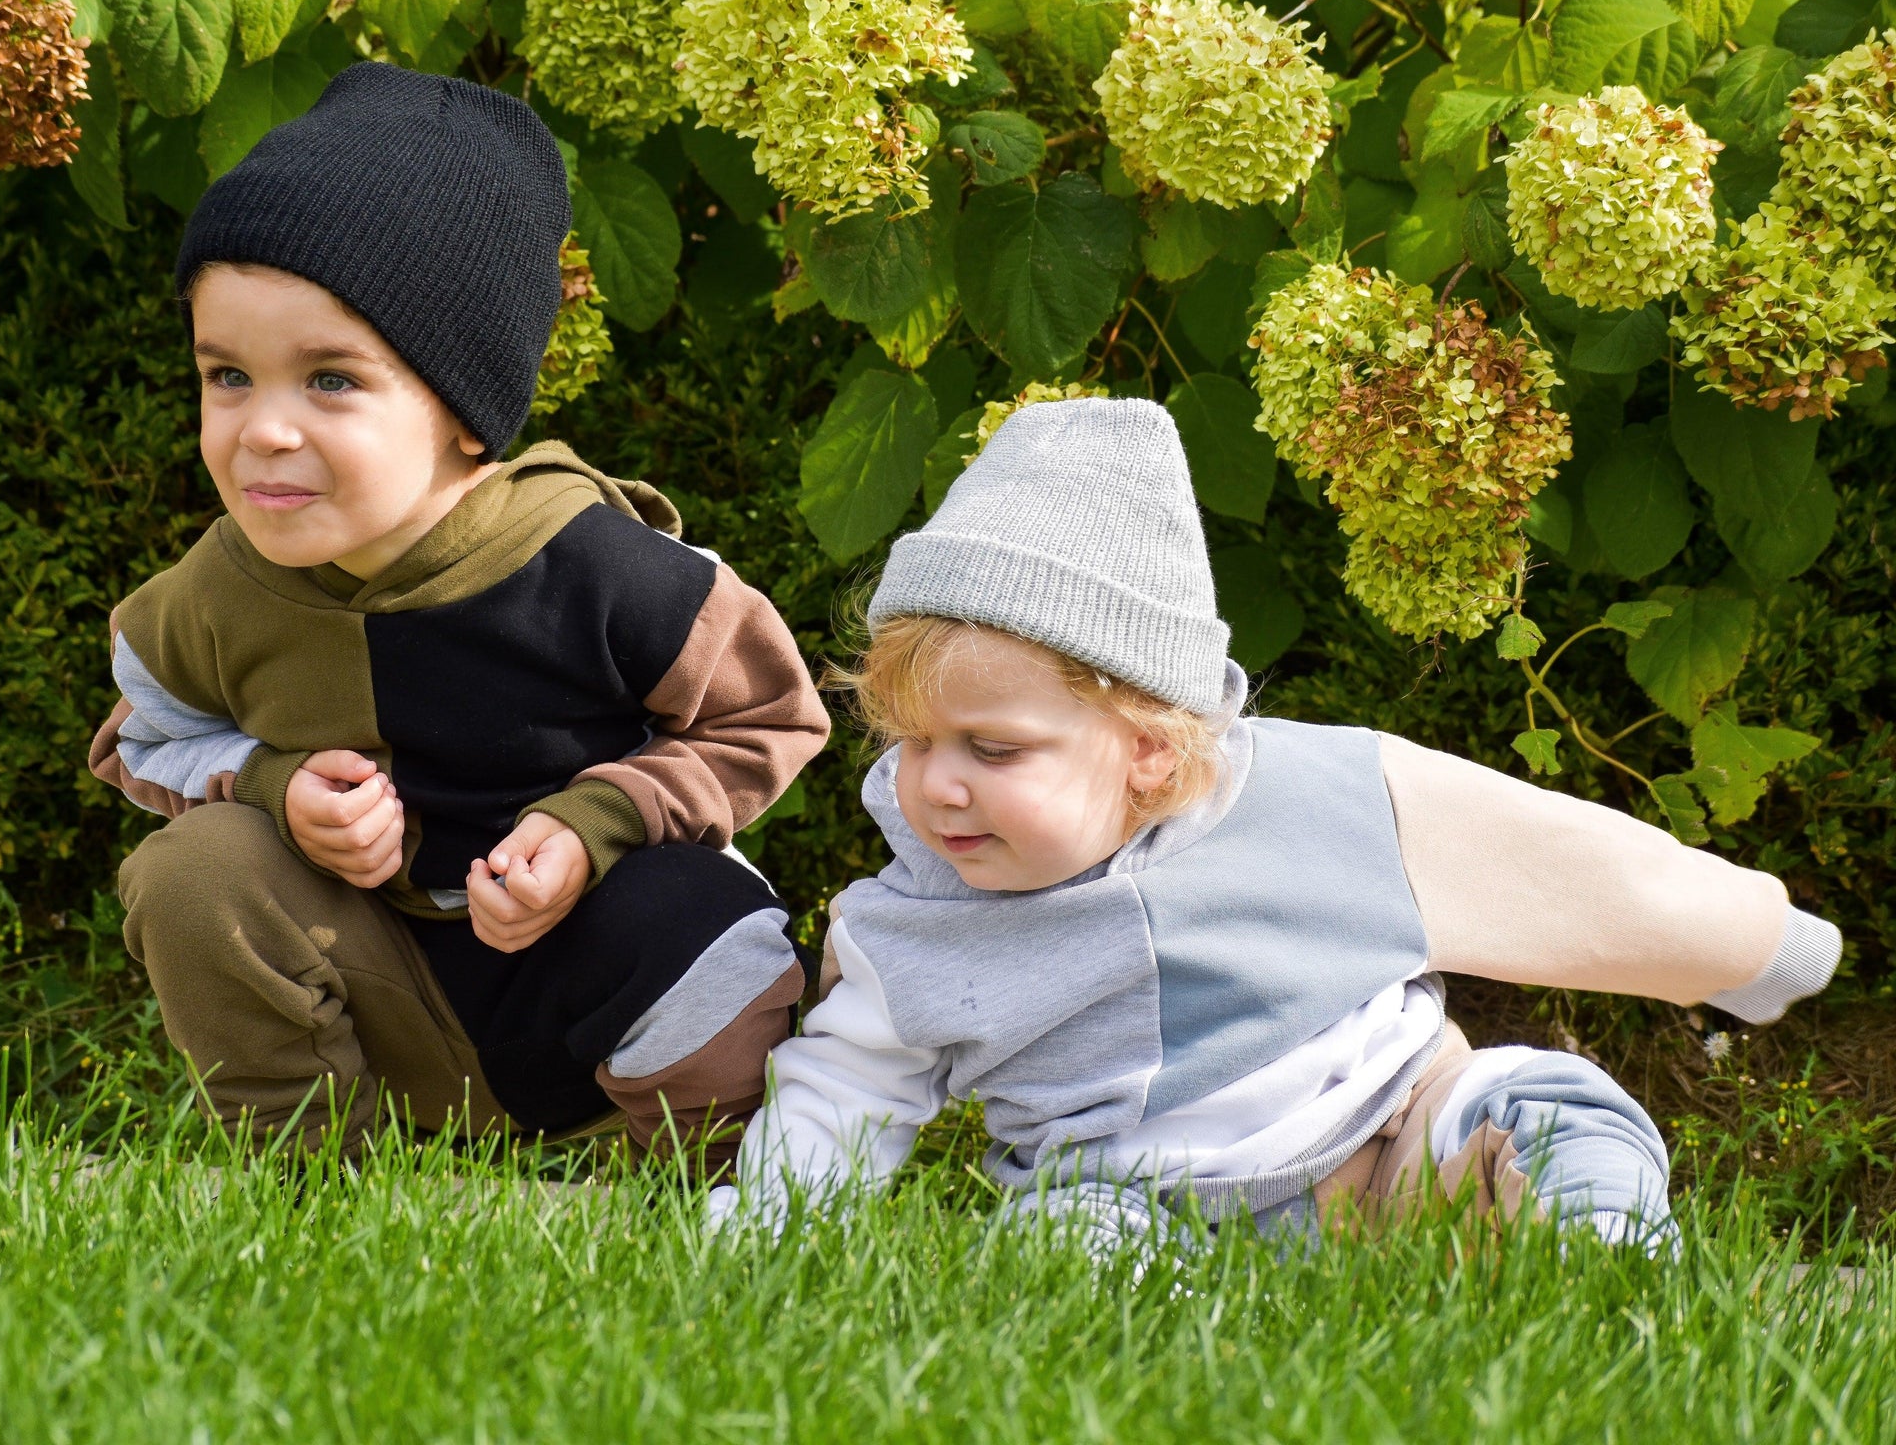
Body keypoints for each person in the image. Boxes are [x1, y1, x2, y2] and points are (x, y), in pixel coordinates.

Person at [710, 396, 1840, 1250]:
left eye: (989, 749)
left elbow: (1545, 855)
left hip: (1388, 1131)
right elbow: (848, 1086)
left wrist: (1755, 941)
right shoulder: (915, 923)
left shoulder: (1303, 799)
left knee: (1547, 1102)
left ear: (1147, 747)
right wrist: (764, 1228)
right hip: (1131, 1198)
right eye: (912, 742)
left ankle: (1598, 1253)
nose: (936, 785)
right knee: (1065, 1245)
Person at [88, 62, 829, 1169]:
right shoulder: (216, 591)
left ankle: (720, 1179)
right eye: (227, 376)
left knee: (703, 916)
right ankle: (308, 1177)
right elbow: (141, 740)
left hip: (592, 997)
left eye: (330, 380)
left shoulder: (593, 561)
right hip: (391, 995)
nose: (264, 430)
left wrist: (596, 825)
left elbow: (768, 718)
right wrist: (273, 785)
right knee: (193, 871)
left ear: (466, 410)